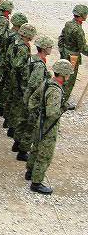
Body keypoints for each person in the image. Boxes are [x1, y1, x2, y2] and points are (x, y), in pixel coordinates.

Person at [25, 59, 73, 195]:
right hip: (48, 125)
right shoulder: (55, 90)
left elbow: (33, 98)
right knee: (45, 154)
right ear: (63, 74)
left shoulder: (47, 82)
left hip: (40, 121)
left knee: (36, 148)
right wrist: (64, 107)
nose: (69, 76)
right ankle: (36, 182)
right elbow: (52, 113)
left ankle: (30, 172)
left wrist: (35, 112)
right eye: (68, 74)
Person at [57, 4, 88, 103]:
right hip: (73, 57)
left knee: (62, 76)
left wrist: (62, 50)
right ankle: (63, 102)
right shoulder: (78, 30)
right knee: (69, 81)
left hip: (65, 53)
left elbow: (61, 37)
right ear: (82, 15)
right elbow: (83, 48)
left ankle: (59, 97)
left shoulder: (68, 24)